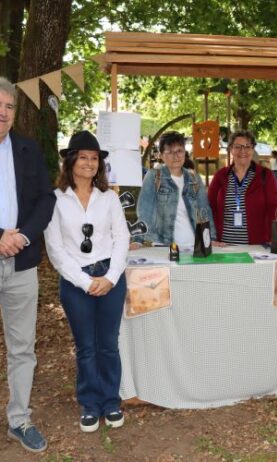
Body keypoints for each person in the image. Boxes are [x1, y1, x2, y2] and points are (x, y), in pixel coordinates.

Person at [44, 130, 130, 433]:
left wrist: (110, 277)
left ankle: (111, 401)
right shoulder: (56, 200)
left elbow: (122, 239)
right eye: (83, 157)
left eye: (94, 159)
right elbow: (55, 249)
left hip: (110, 276)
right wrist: (85, 282)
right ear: (70, 161)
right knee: (86, 347)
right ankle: (90, 404)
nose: (89, 163)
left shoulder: (109, 198)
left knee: (108, 344)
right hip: (75, 280)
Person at [0, 77, 55, 453]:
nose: (3, 113)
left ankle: (19, 420)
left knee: (22, 347)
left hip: (22, 262)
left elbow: (46, 200)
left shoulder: (28, 149)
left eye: (9, 107)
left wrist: (24, 236)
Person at [134, 131, 215, 248]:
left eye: (179, 151)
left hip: (194, 245)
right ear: (161, 155)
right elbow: (144, 211)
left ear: (184, 152)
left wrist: (211, 239)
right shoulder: (154, 176)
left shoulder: (194, 178)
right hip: (164, 246)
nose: (176, 156)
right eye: (170, 152)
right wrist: (138, 240)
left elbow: (204, 211)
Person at [208, 130, 277, 245]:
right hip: (224, 246)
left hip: (256, 247)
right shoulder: (220, 176)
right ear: (231, 149)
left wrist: (275, 239)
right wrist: (211, 238)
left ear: (253, 149)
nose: (243, 151)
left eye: (247, 146)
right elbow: (209, 208)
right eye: (238, 146)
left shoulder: (265, 175)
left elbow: (273, 209)